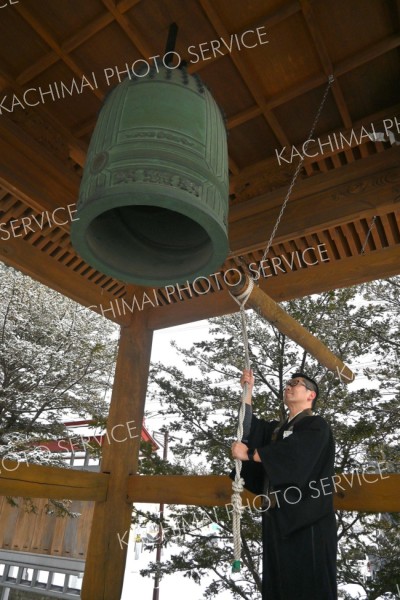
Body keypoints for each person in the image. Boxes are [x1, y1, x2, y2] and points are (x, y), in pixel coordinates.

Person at [231, 369, 337, 600]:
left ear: (311, 395)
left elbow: (294, 454)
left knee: (310, 584)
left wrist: (249, 454)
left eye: (296, 383)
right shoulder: (277, 431)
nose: (288, 386)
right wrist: (247, 392)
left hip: (309, 519)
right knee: (278, 584)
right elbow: (248, 428)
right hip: (277, 518)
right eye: (287, 383)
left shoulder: (316, 426)